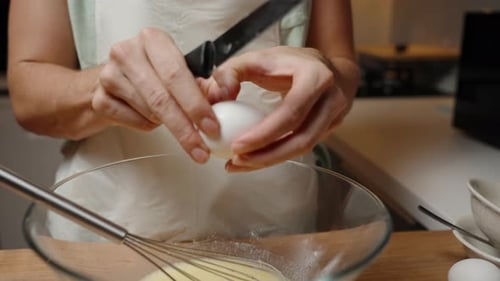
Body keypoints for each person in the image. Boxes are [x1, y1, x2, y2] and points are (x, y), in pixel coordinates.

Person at [7, 0, 360, 240]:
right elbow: (28, 96)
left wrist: (326, 76)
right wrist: (101, 87)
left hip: (277, 232)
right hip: (105, 230)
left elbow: (341, 65)